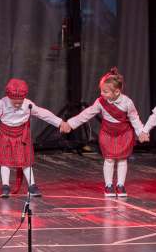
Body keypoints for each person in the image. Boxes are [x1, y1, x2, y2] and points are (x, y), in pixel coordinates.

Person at [61, 67, 149, 197]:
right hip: (108, 133)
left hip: (124, 133)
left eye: (105, 91)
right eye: (101, 90)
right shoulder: (100, 102)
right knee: (109, 159)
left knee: (122, 159)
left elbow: (134, 118)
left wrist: (141, 132)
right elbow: (87, 114)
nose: (102, 93)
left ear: (117, 91)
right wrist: (70, 123)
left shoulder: (127, 102)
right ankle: (108, 185)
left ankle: (120, 185)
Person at [0, 78, 64, 198]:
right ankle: (5, 186)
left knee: (25, 160)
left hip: (22, 134)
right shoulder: (2, 103)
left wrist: (60, 123)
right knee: (5, 160)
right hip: (5, 134)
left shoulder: (28, 104)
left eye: (20, 102)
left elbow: (42, 113)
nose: (17, 104)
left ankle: (32, 186)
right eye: (15, 102)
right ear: (9, 97)